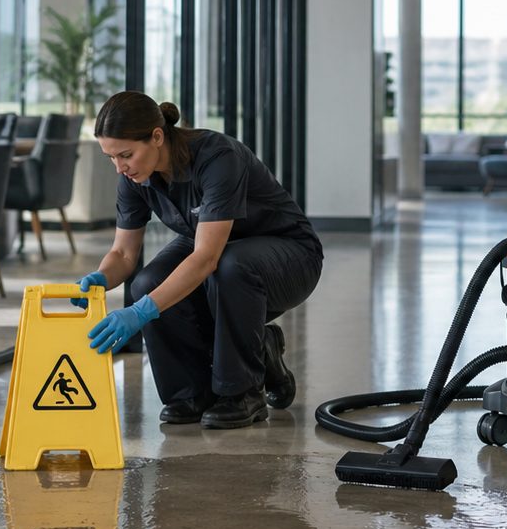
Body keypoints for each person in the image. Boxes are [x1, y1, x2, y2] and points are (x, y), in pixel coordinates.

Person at [78, 92, 323, 429]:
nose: (119, 167)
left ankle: (242, 392)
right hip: (218, 253)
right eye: (111, 157)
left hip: (290, 255)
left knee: (228, 267)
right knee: (147, 283)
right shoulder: (134, 177)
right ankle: (190, 393)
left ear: (157, 136)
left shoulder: (217, 157)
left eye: (126, 155)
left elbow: (207, 257)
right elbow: (123, 253)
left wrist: (141, 312)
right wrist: (101, 278)